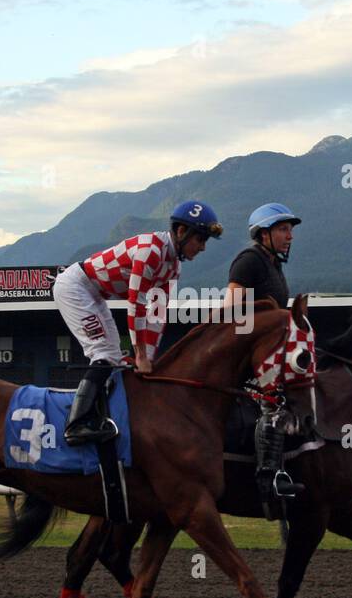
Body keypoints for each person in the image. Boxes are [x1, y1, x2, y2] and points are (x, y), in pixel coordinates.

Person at [53, 200, 222, 444]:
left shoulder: (173, 267)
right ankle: (76, 423)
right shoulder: (151, 250)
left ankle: (103, 414)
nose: (203, 247)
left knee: (116, 357)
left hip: (94, 293)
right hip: (75, 287)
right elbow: (136, 304)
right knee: (103, 353)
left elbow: (156, 315)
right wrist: (141, 354)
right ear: (182, 232)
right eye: (200, 239)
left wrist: (149, 360)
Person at [226, 203, 304, 510]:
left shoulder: (274, 265)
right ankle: (268, 478)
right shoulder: (249, 261)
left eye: (291, 230)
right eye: (284, 229)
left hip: (268, 352)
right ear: (263, 234)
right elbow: (234, 313)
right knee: (274, 404)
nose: (290, 236)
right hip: (247, 355)